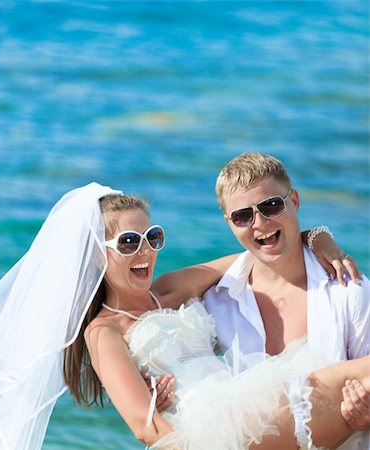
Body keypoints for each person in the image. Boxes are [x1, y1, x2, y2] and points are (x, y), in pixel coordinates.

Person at [0, 182, 369, 450]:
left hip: (248, 404)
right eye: (129, 241)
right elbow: (142, 425)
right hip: (213, 434)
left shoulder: (168, 290)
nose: (145, 251)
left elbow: (260, 248)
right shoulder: (104, 332)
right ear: (98, 255)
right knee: (350, 375)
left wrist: (320, 238)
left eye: (153, 237)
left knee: (349, 382)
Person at [155, 152, 370, 449]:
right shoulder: (218, 302)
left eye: (271, 206)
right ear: (230, 223)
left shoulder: (348, 289)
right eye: (243, 216)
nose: (260, 222)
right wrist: (163, 395)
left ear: (293, 201)